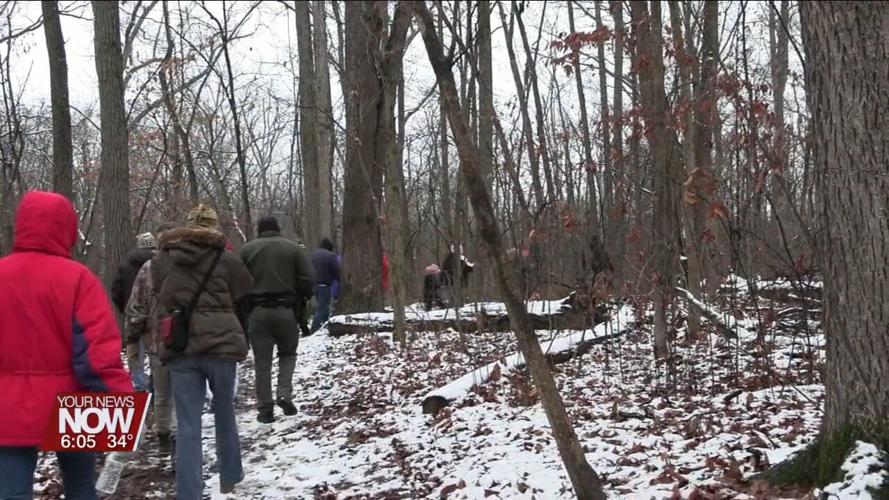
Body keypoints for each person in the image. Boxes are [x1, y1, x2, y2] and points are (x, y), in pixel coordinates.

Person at [0, 191, 133, 499]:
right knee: (81, 488)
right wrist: (120, 406)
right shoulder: (78, 279)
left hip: (7, 405)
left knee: (10, 493)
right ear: (68, 229)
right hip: (73, 405)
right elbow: (98, 355)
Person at [152, 204, 252, 498]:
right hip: (221, 345)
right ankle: (230, 476)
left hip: (182, 346)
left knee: (187, 424)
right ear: (214, 227)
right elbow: (244, 293)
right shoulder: (228, 260)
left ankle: (189, 492)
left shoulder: (162, 260)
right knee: (224, 411)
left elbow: (161, 293)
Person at [239, 216, 313, 423]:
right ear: (278, 229)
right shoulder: (293, 249)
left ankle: (265, 408)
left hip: (257, 311)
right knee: (288, 354)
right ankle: (284, 393)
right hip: (286, 310)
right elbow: (307, 280)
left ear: (259, 230)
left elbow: (238, 281)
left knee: (262, 362)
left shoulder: (247, 250)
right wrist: (301, 297)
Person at [125, 222, 178, 454]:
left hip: (157, 338)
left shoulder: (148, 268)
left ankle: (164, 433)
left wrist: (132, 337)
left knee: (162, 390)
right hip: (188, 339)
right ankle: (178, 435)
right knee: (183, 392)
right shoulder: (189, 265)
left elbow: (136, 306)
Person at [111, 231, 157, 391]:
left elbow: (116, 291)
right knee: (155, 351)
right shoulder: (160, 263)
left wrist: (125, 308)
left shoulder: (125, 265)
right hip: (155, 315)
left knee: (134, 351)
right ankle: (156, 383)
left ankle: (139, 384)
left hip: (132, 315)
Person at [310, 237, 340, 333]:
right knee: (322, 308)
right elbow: (336, 270)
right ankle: (314, 330)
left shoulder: (313, 255)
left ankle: (325, 326)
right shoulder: (331, 256)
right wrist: (340, 280)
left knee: (324, 307)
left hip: (314, 285)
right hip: (325, 285)